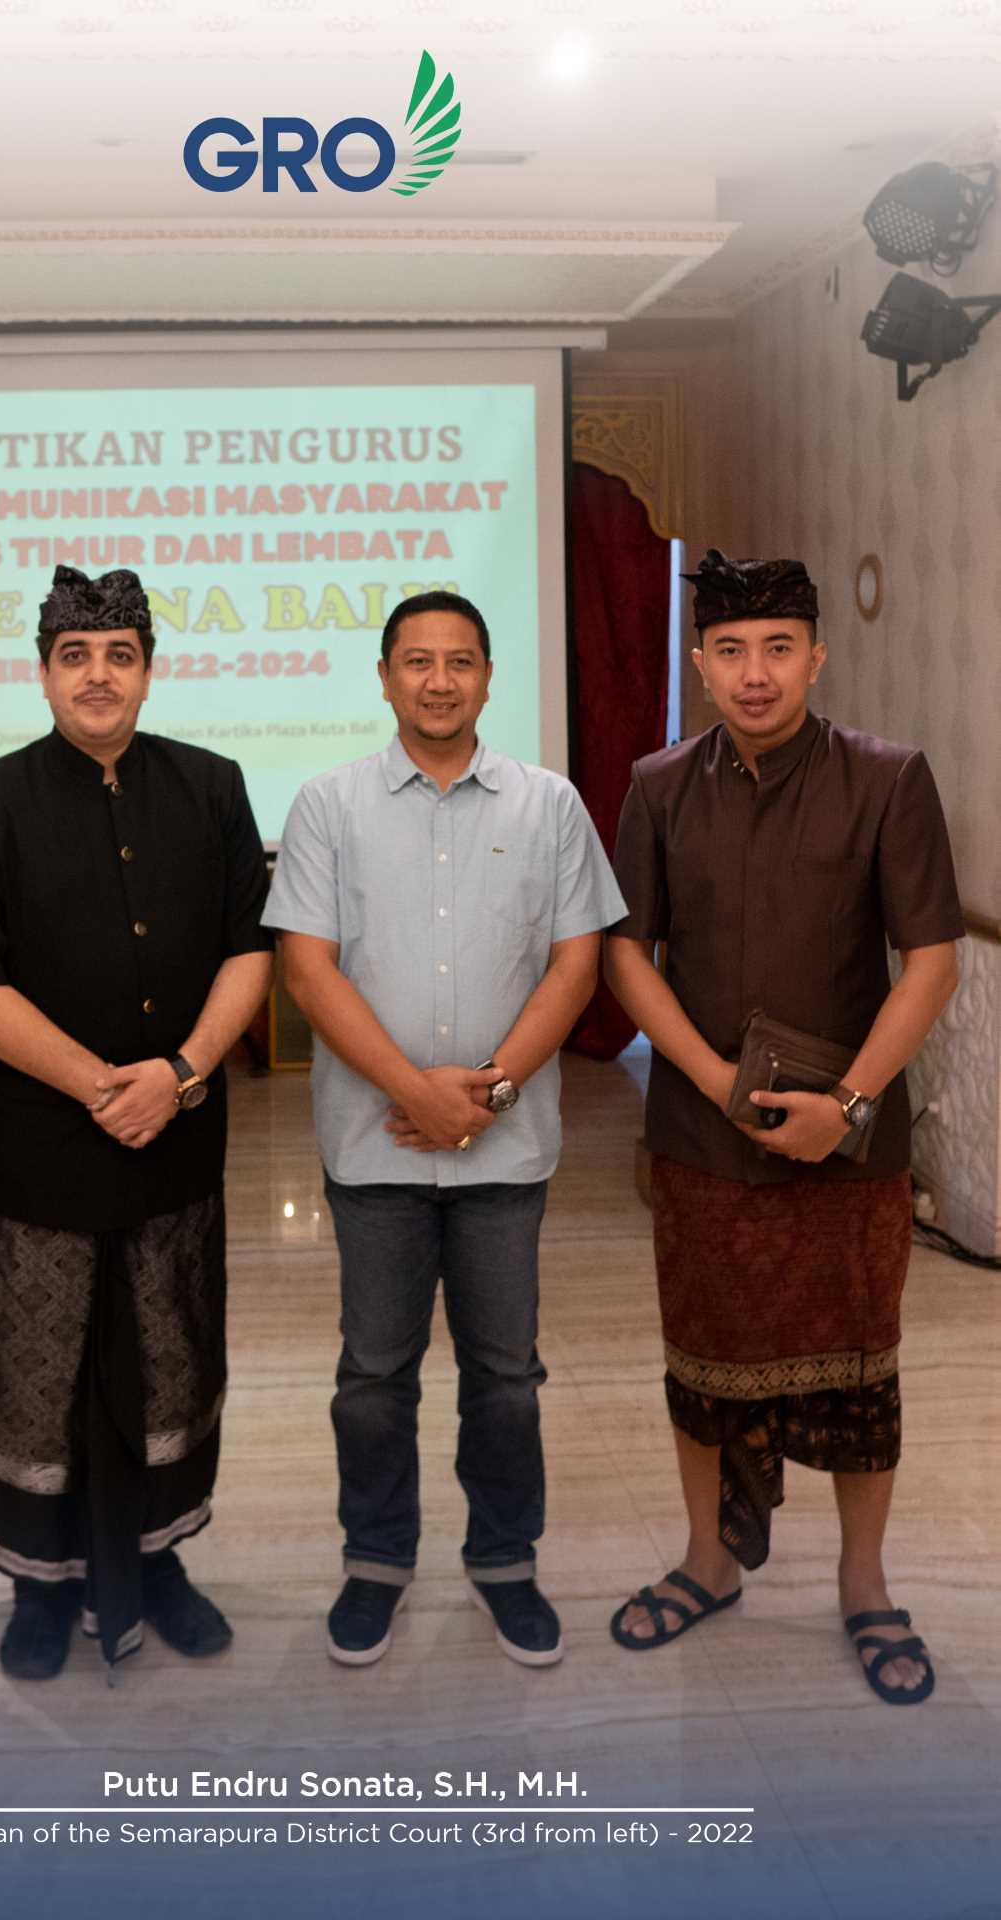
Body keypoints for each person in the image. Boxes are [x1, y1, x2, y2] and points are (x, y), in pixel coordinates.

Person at [605, 548, 963, 1706]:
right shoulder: (656, 786)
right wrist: (709, 1079)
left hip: (849, 1146)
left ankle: (864, 1582)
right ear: (698, 665)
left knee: (863, 1372)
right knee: (703, 1364)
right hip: (703, 1138)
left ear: (815, 655)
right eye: (727, 650)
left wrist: (849, 1105)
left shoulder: (887, 778)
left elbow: (932, 961)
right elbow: (625, 951)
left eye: (775, 648)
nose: (752, 673)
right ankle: (711, 1559)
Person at [263, 590, 625, 1668]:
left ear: (487, 676)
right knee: (374, 1373)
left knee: (505, 1372)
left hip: (507, 1151)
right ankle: (375, 1561)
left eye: (458, 661)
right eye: (415, 661)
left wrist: (490, 1091)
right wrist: (416, 1094)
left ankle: (504, 1561)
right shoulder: (327, 804)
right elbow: (306, 967)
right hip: (371, 1145)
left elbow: (576, 963)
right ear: (383, 677)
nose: (437, 680)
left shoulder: (549, 804)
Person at [0, 564, 273, 1680]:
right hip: (41, 1156)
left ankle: (160, 1563)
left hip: (174, 1142)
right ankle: (40, 1585)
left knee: (167, 1362)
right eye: (74, 656)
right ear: (41, 675)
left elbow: (248, 951)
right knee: (37, 1377)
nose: (97, 674)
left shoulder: (213, 788)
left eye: (118, 654)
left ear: (148, 671)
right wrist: (100, 1085)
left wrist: (174, 1073)